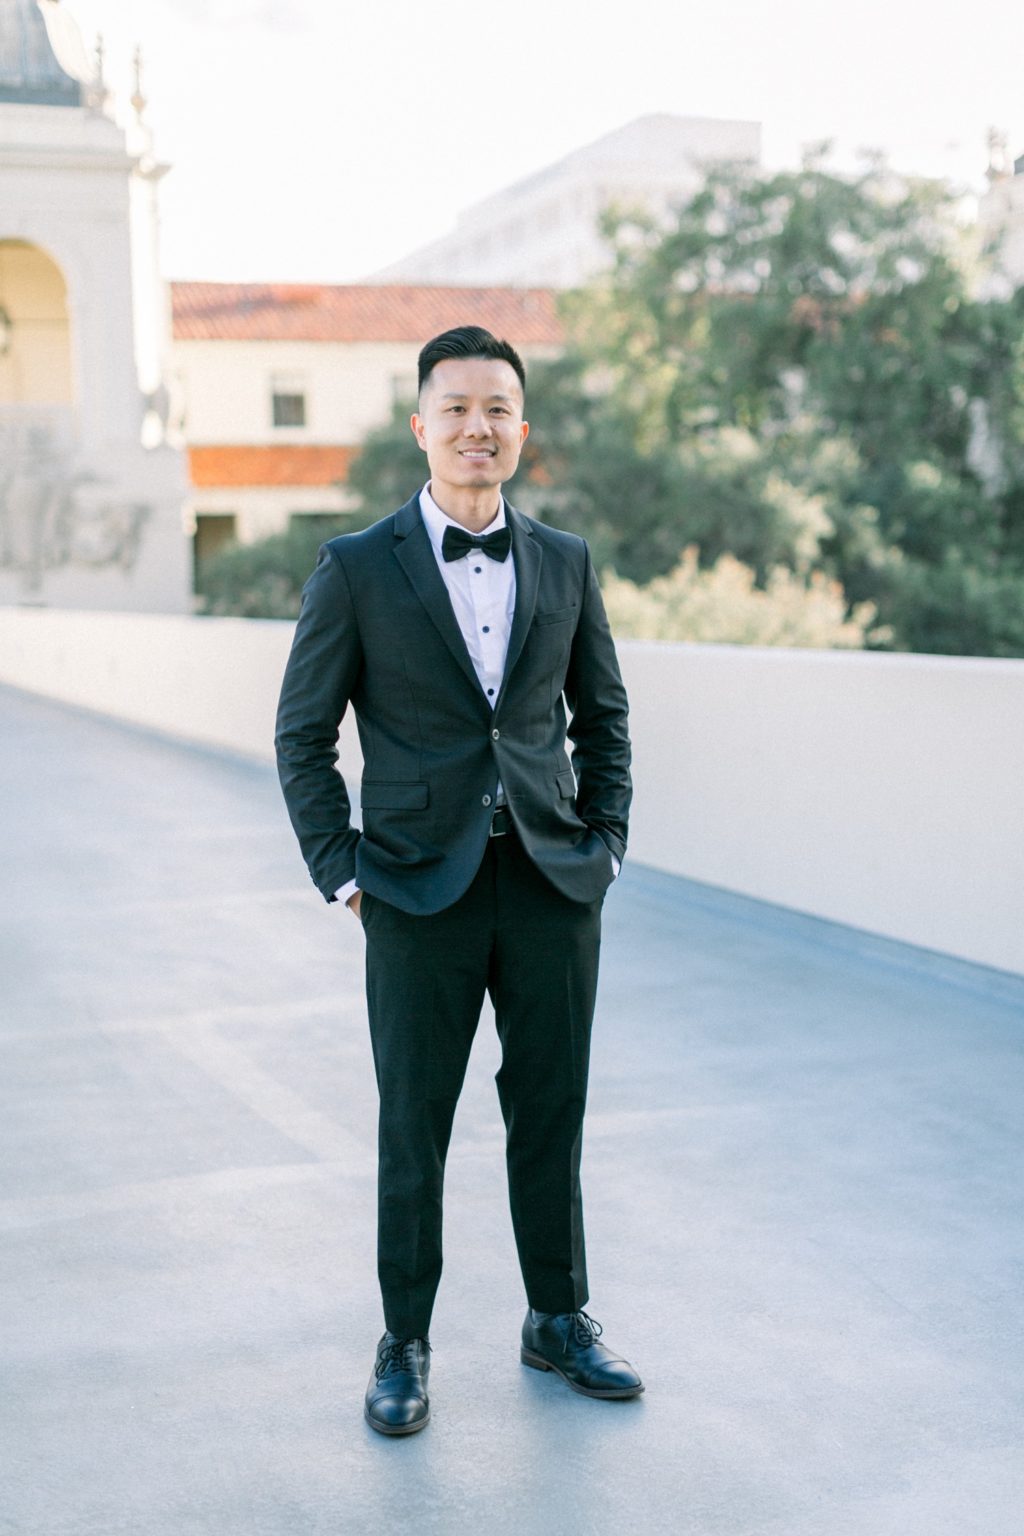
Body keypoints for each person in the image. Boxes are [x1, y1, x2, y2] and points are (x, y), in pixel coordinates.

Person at [275, 325, 641, 1436]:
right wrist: (343, 876)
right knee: (414, 1123)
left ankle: (556, 1316)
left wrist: (605, 840)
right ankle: (404, 1340)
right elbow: (302, 736)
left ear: (520, 431)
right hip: (411, 892)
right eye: (456, 409)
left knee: (551, 1113)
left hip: (549, 884)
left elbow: (604, 719)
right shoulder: (354, 565)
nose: (477, 428)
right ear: (421, 425)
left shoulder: (566, 561)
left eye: (498, 410)